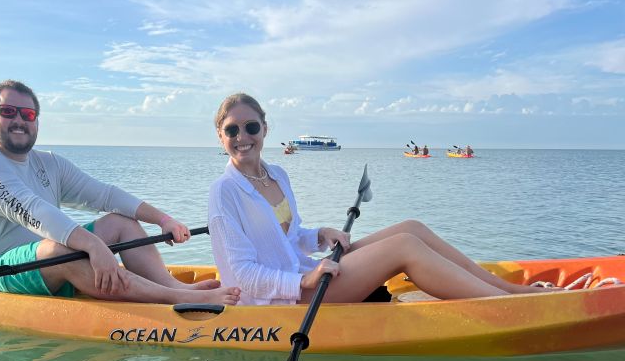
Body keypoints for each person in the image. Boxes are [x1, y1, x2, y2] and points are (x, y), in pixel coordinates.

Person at [207, 93, 554, 305]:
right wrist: (302, 281)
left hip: (306, 273)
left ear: (264, 129)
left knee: (411, 227)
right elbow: (240, 275)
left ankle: (513, 292)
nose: (243, 137)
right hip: (285, 297)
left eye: (251, 127)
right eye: (232, 130)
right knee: (403, 246)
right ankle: (511, 305)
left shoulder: (277, 174)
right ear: (220, 136)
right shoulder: (224, 192)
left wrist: (318, 235)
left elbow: (289, 238)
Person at [0, 80, 240, 305]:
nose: (19, 120)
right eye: (8, 112)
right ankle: (179, 299)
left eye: (28, 114)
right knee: (63, 250)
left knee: (120, 221)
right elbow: (34, 211)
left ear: (36, 120)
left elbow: (105, 195)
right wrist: (93, 246)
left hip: (37, 263)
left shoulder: (48, 163)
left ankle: (173, 287)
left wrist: (163, 220)